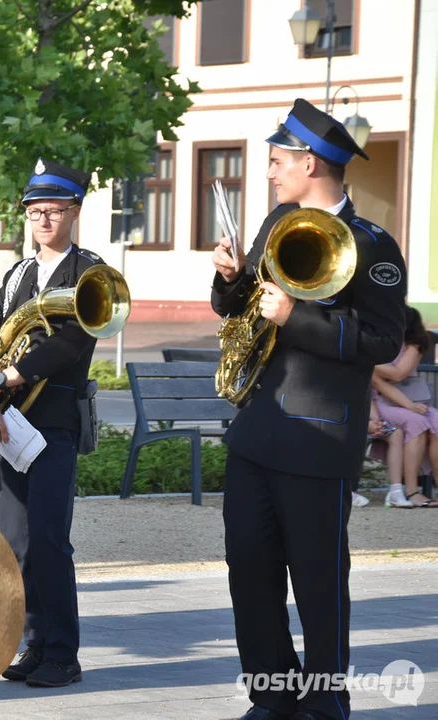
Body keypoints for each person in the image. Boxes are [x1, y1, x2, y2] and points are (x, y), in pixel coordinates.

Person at [211, 98, 406, 720]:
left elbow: (382, 341)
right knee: (251, 575)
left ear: (312, 162)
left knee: (320, 582)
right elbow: (239, 308)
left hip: (320, 439)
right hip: (256, 431)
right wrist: (230, 278)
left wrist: (298, 319)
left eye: (278, 160)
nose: (270, 171)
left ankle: (326, 703)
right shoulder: (277, 222)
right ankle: (272, 695)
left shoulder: (374, 245)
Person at [0, 159, 102, 689]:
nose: (41, 220)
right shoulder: (16, 273)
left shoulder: (91, 272)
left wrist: (19, 372)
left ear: (74, 212)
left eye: (52, 211)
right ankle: (34, 643)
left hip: (54, 419)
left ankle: (64, 651)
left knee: (50, 538)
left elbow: (75, 339)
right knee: (16, 539)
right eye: (34, 212)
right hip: (13, 422)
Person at [371, 307, 438, 508]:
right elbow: (379, 384)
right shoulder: (376, 343)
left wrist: (364, 360)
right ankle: (412, 491)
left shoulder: (414, 344)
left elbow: (397, 374)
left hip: (413, 401)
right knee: (416, 422)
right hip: (382, 402)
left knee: (436, 422)